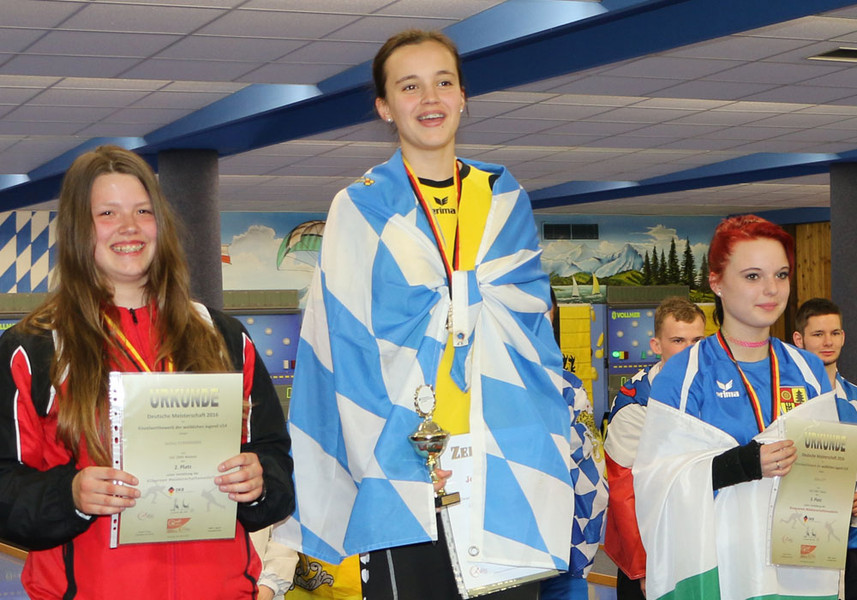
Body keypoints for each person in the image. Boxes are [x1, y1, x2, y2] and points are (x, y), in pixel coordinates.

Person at [278, 29, 574, 599]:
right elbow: (346, 342)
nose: (430, 99)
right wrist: (387, 453)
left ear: (463, 96)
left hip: (505, 457)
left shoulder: (503, 195)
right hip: (402, 459)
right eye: (409, 87)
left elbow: (532, 324)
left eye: (443, 82)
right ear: (385, 108)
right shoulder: (361, 206)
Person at [0, 145, 294, 599]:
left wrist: (259, 484)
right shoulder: (35, 347)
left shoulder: (223, 336)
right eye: (107, 213)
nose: (130, 227)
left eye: (143, 210)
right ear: (79, 228)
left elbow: (274, 463)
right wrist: (70, 495)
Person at [633, 215, 857, 600]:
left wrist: (841, 493)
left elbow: (822, 464)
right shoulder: (684, 374)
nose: (771, 289)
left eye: (781, 275)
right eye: (753, 276)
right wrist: (740, 464)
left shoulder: (808, 370)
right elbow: (656, 484)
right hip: (722, 571)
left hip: (798, 573)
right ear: (716, 281)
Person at [603, 296, 705, 600]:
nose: (689, 350)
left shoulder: (721, 389)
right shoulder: (635, 401)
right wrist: (644, 567)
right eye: (678, 340)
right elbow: (624, 489)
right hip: (649, 549)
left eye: (697, 341)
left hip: (703, 544)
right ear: (656, 345)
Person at [540, 289, 608, 600]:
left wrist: (580, 554)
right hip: (495, 558)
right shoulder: (469, 388)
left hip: (563, 554)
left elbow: (593, 479)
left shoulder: (569, 388)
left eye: (545, 318)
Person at [792, 297, 857, 600]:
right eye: (818, 334)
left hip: (851, 542)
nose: (828, 342)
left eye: (835, 333)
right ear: (799, 339)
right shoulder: (783, 400)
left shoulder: (855, 399)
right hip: (796, 539)